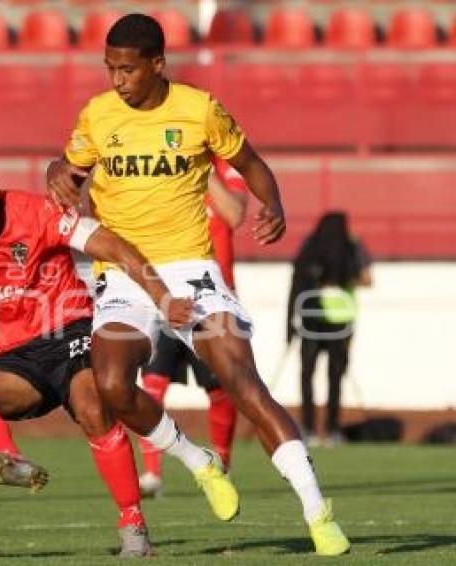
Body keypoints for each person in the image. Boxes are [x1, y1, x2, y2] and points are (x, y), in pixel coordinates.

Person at [45, 14, 349, 556]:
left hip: (192, 270)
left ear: (157, 64)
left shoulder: (199, 109)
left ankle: (316, 508)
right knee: (112, 384)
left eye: (128, 69)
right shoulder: (97, 115)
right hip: (122, 273)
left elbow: (252, 165)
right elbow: (66, 169)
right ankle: (197, 460)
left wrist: (272, 203)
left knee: (241, 379)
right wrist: (56, 172)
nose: (118, 80)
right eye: (111, 68)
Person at [0, 149, 237, 557]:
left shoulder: (38, 213)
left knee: (92, 406)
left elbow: (115, 247)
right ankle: (8, 461)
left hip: (73, 330)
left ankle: (133, 527)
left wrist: (162, 298)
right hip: (19, 358)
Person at [138, 157, 247, 498]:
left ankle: (222, 467)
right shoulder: (164, 167)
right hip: (167, 299)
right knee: (152, 385)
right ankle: (152, 475)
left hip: (213, 303)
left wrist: (204, 170)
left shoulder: (224, 168)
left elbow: (234, 215)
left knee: (222, 389)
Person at [287, 211, 372, 447]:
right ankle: (314, 428)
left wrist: (342, 279)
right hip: (320, 322)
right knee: (314, 375)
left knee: (330, 376)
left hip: (334, 322)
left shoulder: (349, 246)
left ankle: (326, 429)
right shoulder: (320, 246)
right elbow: (299, 279)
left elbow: (366, 278)